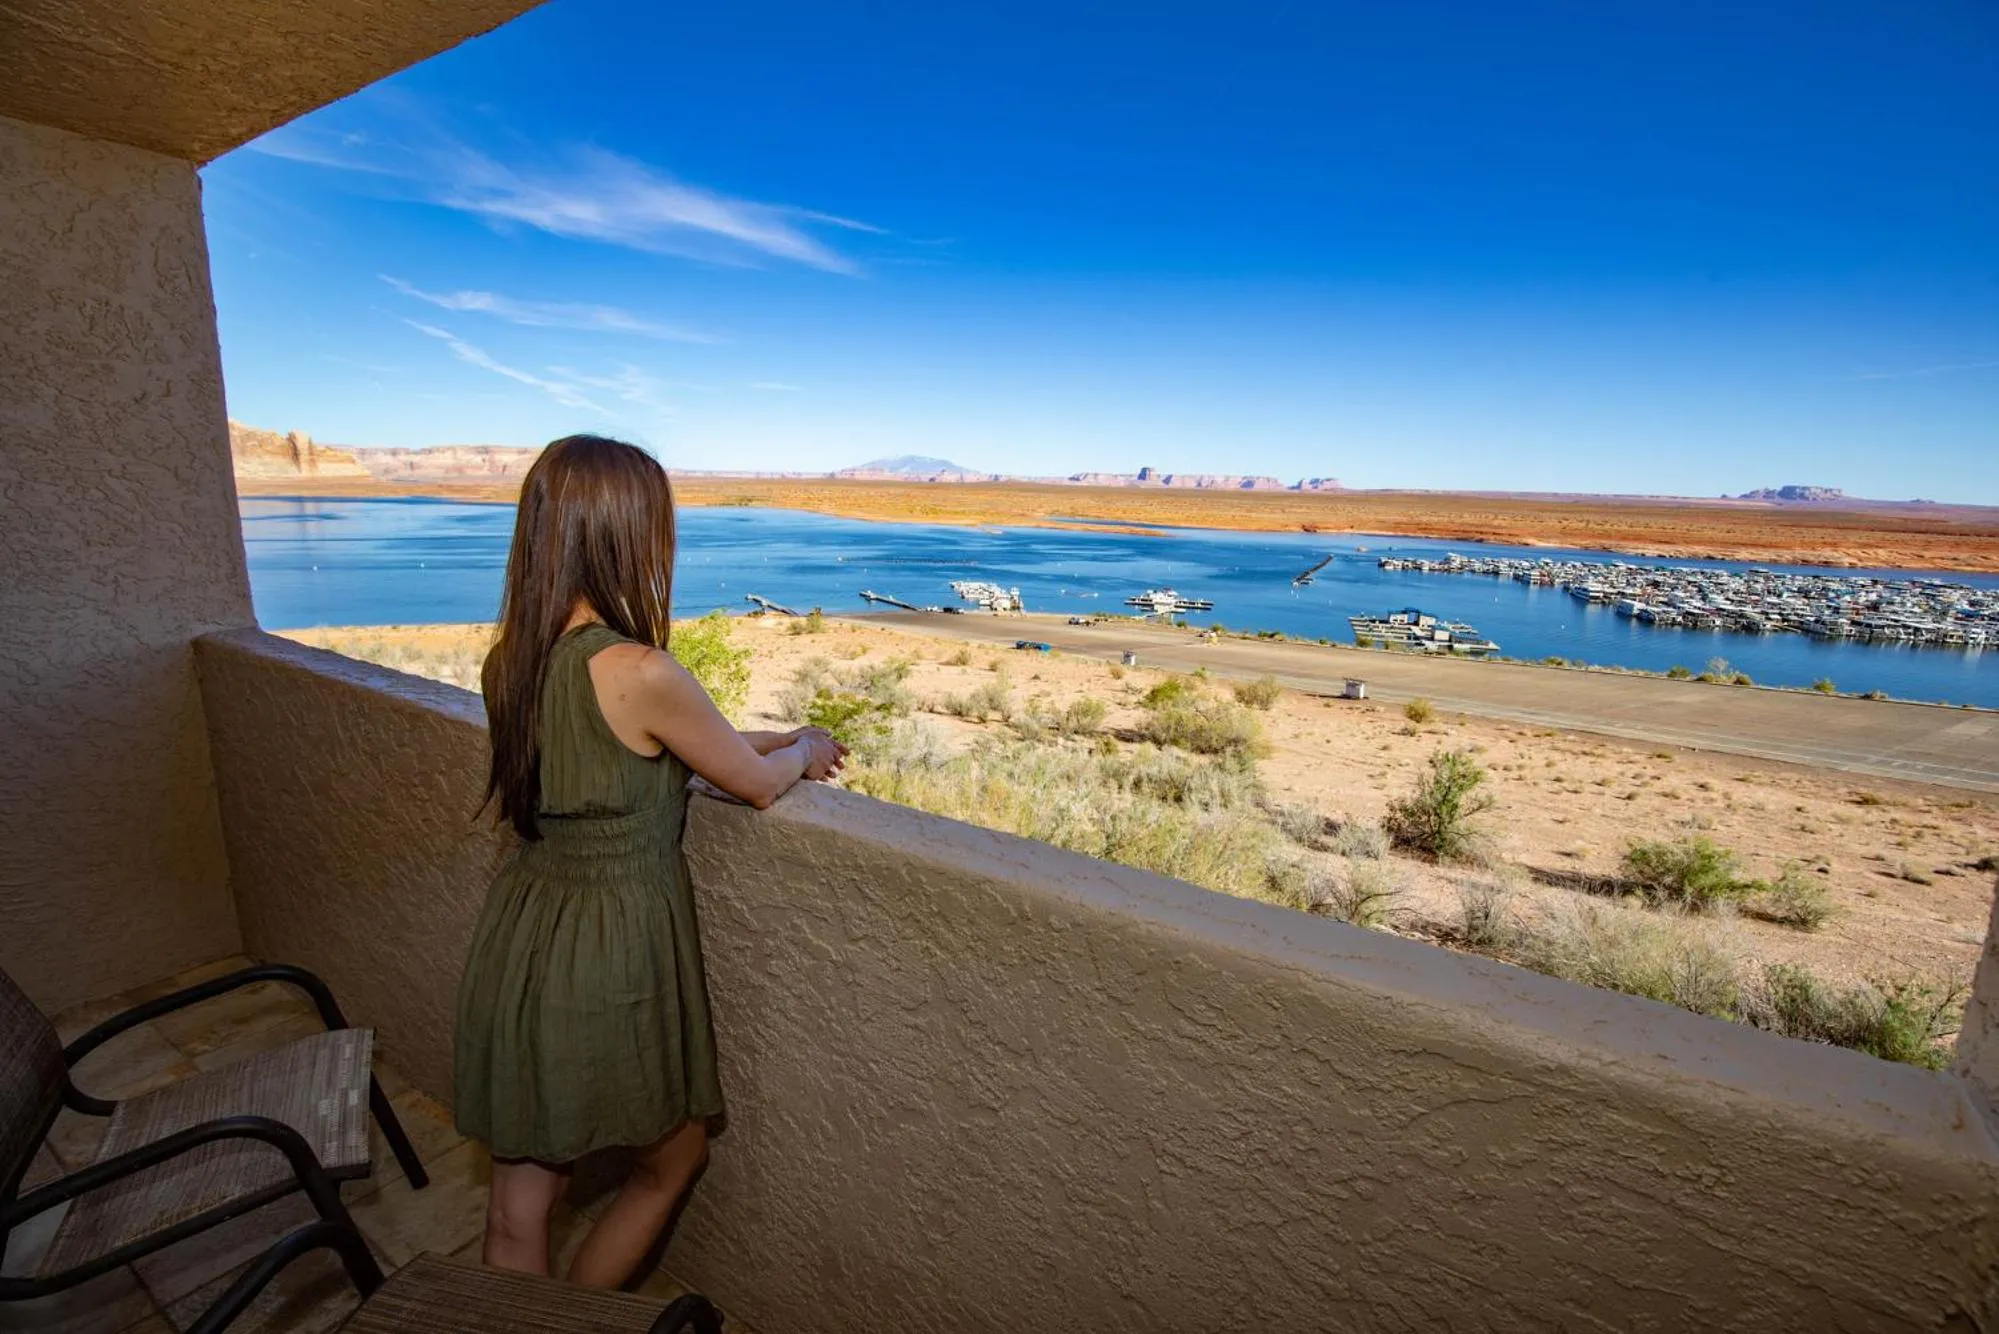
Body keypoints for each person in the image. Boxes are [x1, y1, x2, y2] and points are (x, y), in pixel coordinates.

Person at [454, 434, 846, 1286]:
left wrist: (756, 738)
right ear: (626, 535)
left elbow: (623, 753)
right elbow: (752, 785)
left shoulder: (510, 660)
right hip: (611, 948)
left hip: (525, 933)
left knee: (518, 1203)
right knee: (673, 1158)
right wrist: (805, 747)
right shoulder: (640, 667)